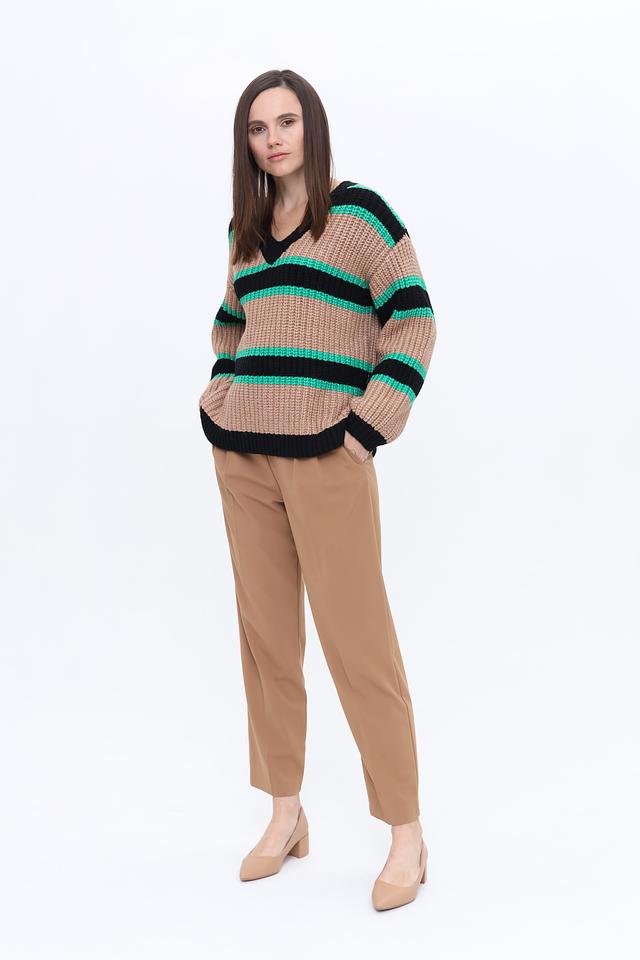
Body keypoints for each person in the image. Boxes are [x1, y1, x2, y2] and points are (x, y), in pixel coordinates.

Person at [198, 68, 437, 911]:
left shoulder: (361, 216)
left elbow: (414, 318)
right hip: (244, 457)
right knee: (267, 643)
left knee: (358, 644)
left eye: (287, 121)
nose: (274, 139)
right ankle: (285, 812)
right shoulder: (246, 228)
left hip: (330, 457)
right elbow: (231, 325)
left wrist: (370, 425)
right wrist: (218, 397)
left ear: (312, 126)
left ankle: (406, 833)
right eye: (258, 127)